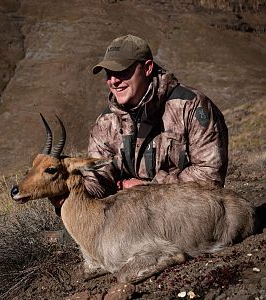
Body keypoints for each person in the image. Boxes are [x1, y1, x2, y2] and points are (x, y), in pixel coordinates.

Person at [85, 34, 228, 198]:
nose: (113, 81)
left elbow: (210, 175)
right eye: (109, 73)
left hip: (186, 214)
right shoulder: (106, 122)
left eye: (122, 71)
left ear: (147, 68)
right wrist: (74, 197)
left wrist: (148, 189)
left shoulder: (191, 106)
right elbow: (97, 178)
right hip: (130, 216)